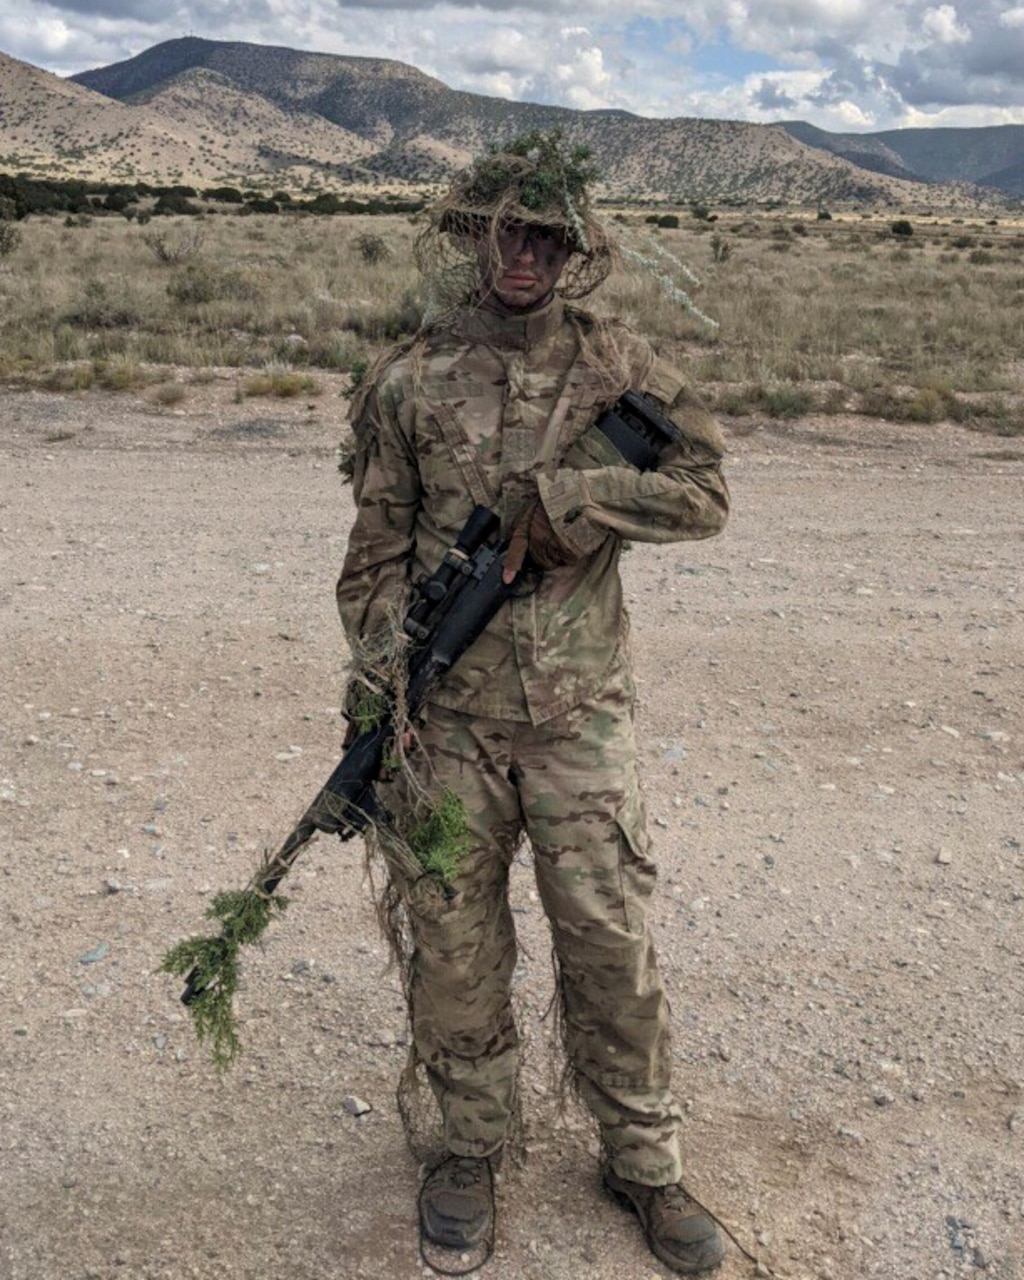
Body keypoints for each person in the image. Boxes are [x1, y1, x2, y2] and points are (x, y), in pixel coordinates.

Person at [336, 131, 730, 1274]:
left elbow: (703, 490)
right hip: (446, 722)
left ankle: (644, 1160)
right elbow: (370, 560)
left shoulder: (621, 368)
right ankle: (467, 1146)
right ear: (471, 236)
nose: (522, 252)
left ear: (574, 247)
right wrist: (382, 684)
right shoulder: (408, 377)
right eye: (503, 230)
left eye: (544, 233)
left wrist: (577, 499)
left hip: (576, 717)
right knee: (453, 944)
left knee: (608, 943)